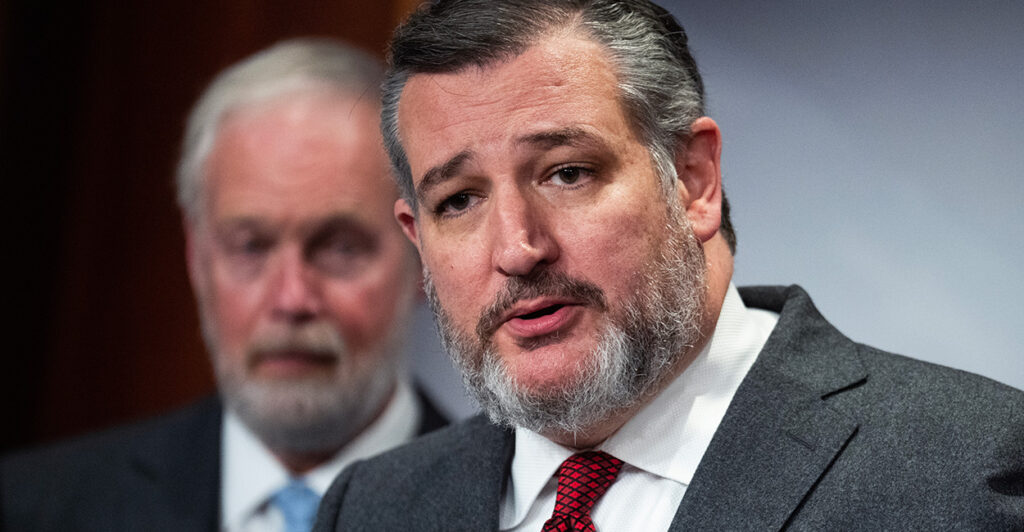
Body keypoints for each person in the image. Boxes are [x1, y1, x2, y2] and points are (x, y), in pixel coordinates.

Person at [312, 1, 1024, 530]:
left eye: (566, 173)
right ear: (416, 238)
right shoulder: (372, 509)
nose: (517, 249)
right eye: (459, 200)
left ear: (693, 180)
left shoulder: (965, 472)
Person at [1, 38, 447, 532]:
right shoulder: (33, 507)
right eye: (251, 246)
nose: (291, 299)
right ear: (197, 257)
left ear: (422, 257)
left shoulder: (513, 510)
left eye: (341, 248)